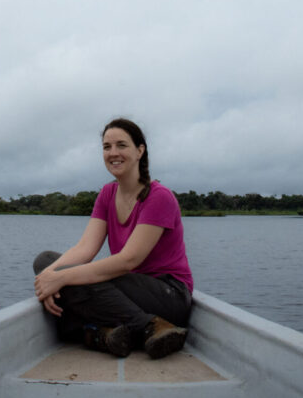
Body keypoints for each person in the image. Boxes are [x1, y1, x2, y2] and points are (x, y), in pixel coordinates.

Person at [33, 117, 193, 359]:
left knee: (77, 280)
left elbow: (129, 260)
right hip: (128, 291)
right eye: (107, 147)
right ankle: (110, 332)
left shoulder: (159, 197)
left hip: (168, 295)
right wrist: (48, 277)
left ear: (140, 151)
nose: (113, 153)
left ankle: (151, 326)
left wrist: (62, 277)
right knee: (44, 261)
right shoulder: (107, 194)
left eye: (121, 145)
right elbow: (85, 248)